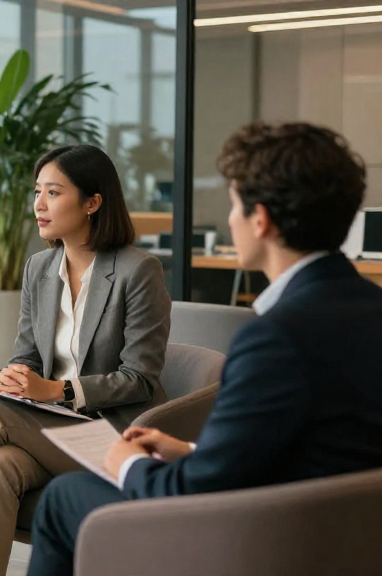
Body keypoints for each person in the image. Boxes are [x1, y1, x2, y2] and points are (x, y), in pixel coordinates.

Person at [28, 122, 382, 576]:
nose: (231, 220)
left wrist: (129, 464)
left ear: (260, 219)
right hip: (347, 540)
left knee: (65, 497)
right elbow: (317, 441)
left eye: (233, 205)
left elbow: (194, 492)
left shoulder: (274, 338)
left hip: (261, 543)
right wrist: (193, 448)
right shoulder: (370, 309)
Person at [0, 144, 171, 576]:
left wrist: (59, 390)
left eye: (53, 192)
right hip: (47, 427)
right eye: (37, 192)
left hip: (110, 436)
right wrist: (15, 376)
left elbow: (139, 378)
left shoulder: (137, 271)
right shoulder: (39, 268)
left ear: (92, 202)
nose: (39, 205)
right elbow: (26, 353)